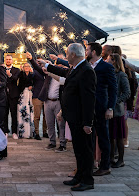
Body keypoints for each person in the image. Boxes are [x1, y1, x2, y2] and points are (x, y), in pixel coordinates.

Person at [29, 43, 97, 191]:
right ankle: (79, 176)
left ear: (73, 55)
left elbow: (89, 99)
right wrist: (47, 65)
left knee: (85, 150)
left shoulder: (86, 71)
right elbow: (62, 72)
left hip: (81, 119)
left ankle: (87, 180)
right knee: (78, 150)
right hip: (73, 117)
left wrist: (87, 123)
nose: (66, 57)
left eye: (67, 54)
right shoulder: (76, 68)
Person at [85, 42, 117, 176]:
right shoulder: (86, 66)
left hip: (101, 106)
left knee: (103, 137)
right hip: (88, 107)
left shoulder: (106, 67)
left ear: (93, 52)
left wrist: (110, 107)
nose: (85, 52)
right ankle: (90, 163)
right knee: (89, 137)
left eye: (87, 50)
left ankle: (105, 166)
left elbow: (113, 89)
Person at [30, 59, 66, 152]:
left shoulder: (63, 76)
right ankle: (52, 142)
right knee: (49, 123)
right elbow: (38, 69)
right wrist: (31, 60)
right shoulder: (48, 74)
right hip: (47, 101)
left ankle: (62, 144)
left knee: (60, 124)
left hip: (58, 102)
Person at [106, 54, 130, 168]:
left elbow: (127, 93)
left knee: (119, 137)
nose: (106, 60)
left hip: (117, 111)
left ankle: (121, 159)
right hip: (108, 110)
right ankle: (110, 158)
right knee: (110, 136)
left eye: (108, 59)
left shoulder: (122, 75)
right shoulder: (109, 73)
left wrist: (115, 101)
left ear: (114, 61)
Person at [4, 54, 21, 139]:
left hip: (13, 95)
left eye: (9, 59)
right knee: (4, 114)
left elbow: (15, 78)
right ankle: (5, 131)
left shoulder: (16, 70)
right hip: (4, 95)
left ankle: (14, 132)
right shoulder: (2, 69)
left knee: (14, 114)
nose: (8, 61)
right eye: (7, 59)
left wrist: (9, 75)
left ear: (12, 61)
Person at [17, 63, 34, 138]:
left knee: (29, 112)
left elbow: (35, 83)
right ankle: (22, 132)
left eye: (28, 66)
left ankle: (29, 133)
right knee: (21, 112)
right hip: (22, 94)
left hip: (30, 95)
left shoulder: (32, 74)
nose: (26, 67)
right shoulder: (21, 74)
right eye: (25, 66)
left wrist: (32, 86)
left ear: (30, 67)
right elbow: (19, 83)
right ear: (23, 67)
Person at [31, 58, 45, 140]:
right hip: (37, 96)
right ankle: (36, 133)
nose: (39, 64)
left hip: (46, 97)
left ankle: (45, 132)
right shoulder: (35, 72)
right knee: (37, 116)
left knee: (46, 117)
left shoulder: (47, 71)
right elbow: (31, 77)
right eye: (38, 62)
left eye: (40, 62)